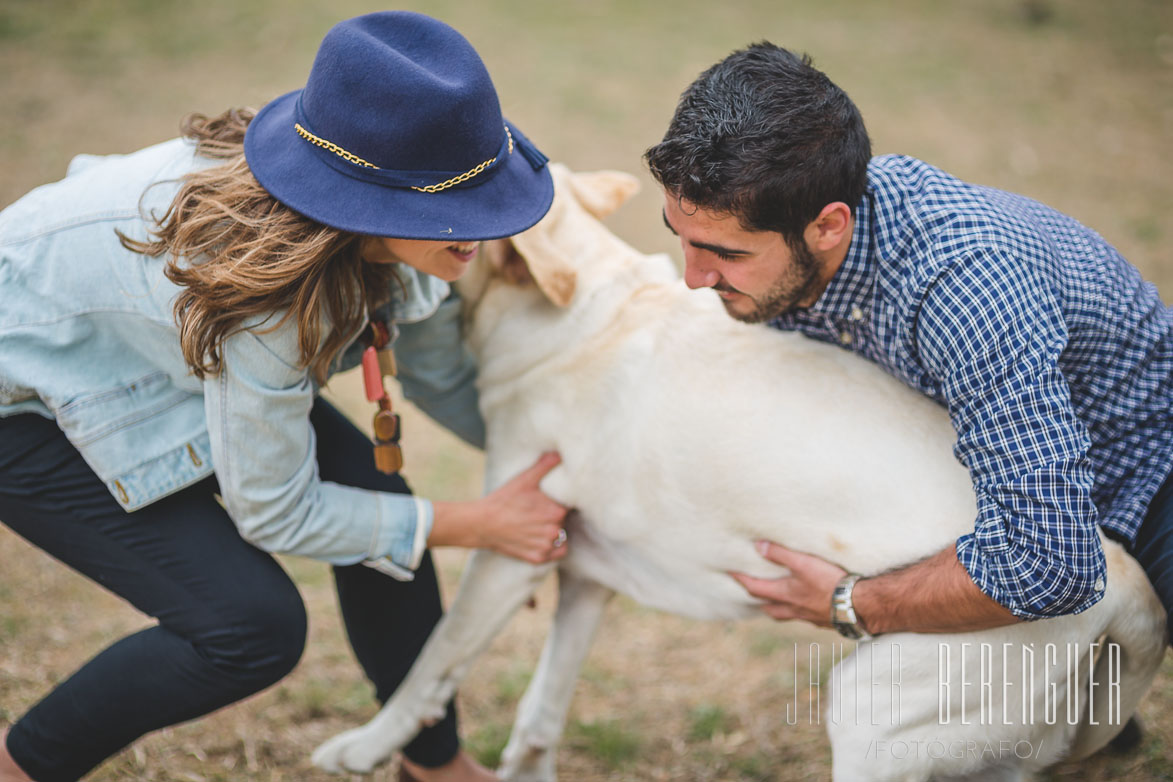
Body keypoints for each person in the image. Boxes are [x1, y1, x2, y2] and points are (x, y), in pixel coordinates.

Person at [0, 12, 568, 782]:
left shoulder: (400, 228)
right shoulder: (264, 302)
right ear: (371, 200)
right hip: (24, 393)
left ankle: (433, 765)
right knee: (249, 625)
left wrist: (563, 469)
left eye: (482, 193)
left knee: (373, 493)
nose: (480, 228)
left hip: (154, 355)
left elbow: (439, 378)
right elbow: (273, 509)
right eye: (453, 202)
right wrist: (480, 525)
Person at [645, 43, 1173, 647]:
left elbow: (1051, 562)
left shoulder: (965, 289)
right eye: (680, 237)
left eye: (728, 254)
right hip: (1000, 474)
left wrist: (851, 601)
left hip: (1152, 462)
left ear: (828, 226)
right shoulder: (787, 246)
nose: (694, 277)